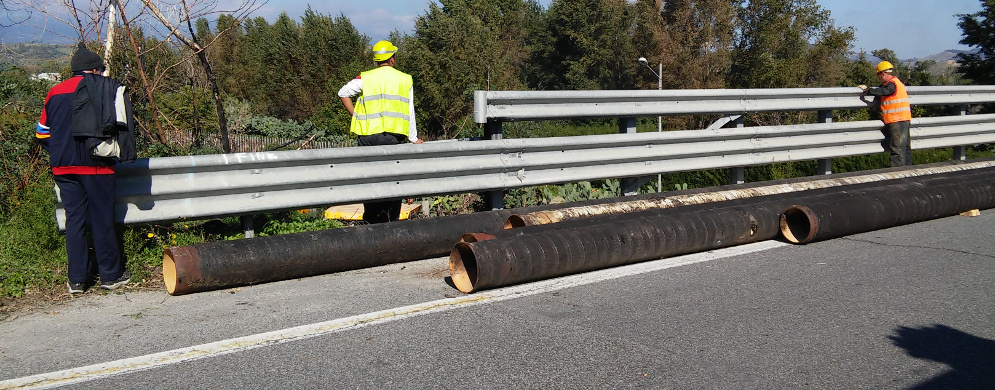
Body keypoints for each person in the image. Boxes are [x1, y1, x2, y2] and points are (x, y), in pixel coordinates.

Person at [36, 42, 137, 293]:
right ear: (93, 70)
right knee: (102, 219)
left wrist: (60, 150)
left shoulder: (54, 92)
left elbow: (41, 134)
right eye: (101, 69)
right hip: (96, 167)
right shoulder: (104, 88)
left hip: (63, 168)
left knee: (75, 221)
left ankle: (77, 280)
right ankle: (111, 276)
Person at [338, 40, 423, 224]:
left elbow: (343, 93)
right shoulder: (405, 79)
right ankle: (390, 222)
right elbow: (410, 111)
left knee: (370, 180)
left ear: (377, 60)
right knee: (393, 182)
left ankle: (371, 223)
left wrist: (356, 116)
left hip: (367, 138)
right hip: (391, 138)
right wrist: (413, 138)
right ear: (392, 58)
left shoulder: (365, 78)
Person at [859, 61, 913, 167]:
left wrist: (868, 91)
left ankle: (898, 175)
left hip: (896, 119)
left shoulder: (892, 85)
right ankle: (908, 172)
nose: (879, 78)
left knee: (897, 149)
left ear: (882, 73)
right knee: (905, 149)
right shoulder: (897, 83)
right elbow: (883, 91)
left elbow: (884, 91)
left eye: (879, 75)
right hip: (903, 118)